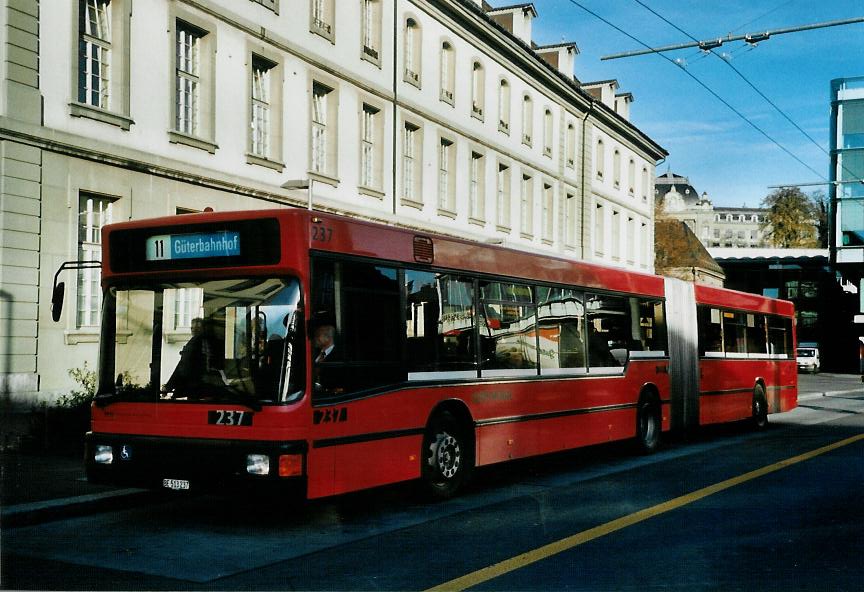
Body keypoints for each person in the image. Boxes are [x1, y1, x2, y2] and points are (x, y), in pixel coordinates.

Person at [165, 317, 220, 392]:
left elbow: (183, 366)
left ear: (203, 328)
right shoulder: (211, 342)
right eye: (192, 328)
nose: (194, 330)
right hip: (206, 385)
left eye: (198, 328)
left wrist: (169, 386)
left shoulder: (194, 343)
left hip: (195, 386)